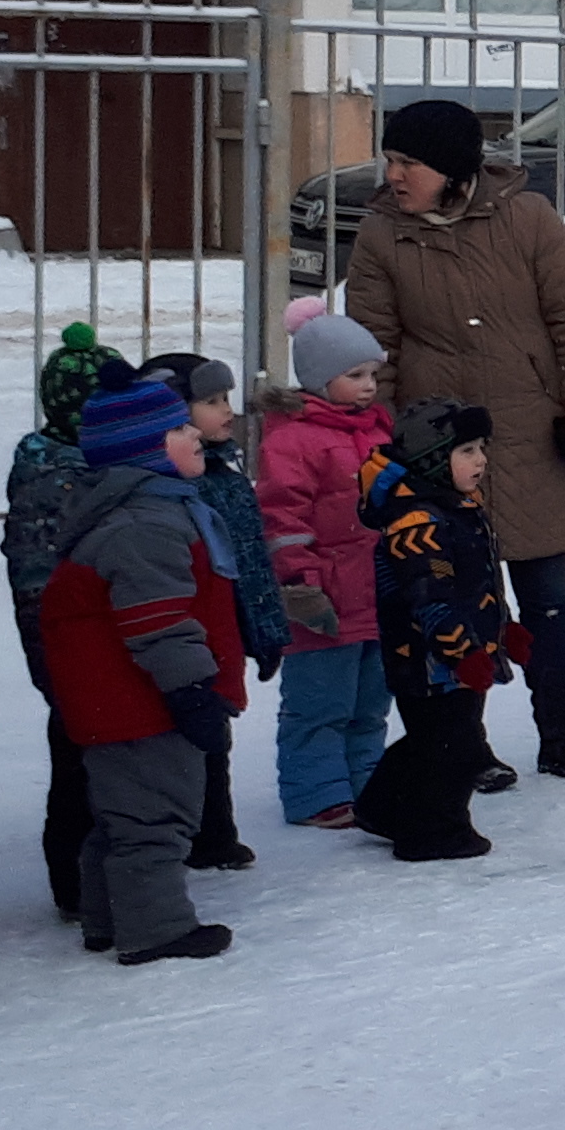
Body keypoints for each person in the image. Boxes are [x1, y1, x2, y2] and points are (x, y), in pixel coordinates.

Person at [342, 99, 565, 782]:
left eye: (408, 162)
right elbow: (375, 352)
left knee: (549, 597)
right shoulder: (382, 235)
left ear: (450, 167)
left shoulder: (527, 218)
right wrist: (385, 445)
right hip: (437, 456)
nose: (394, 174)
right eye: (390, 159)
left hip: (529, 435)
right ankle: (462, 748)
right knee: (451, 601)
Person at [34, 373, 245, 967]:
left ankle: (106, 919)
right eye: (179, 428)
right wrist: (191, 690)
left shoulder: (156, 510)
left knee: (122, 817)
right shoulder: (145, 525)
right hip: (141, 700)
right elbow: (157, 620)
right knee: (156, 819)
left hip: (120, 701)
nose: (194, 434)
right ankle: (156, 928)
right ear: (147, 450)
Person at [349, 396, 507, 864]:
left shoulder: (456, 507)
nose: (480, 460)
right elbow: (430, 596)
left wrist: (505, 630)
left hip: (458, 654)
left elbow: (480, 583)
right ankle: (434, 832)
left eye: (481, 448)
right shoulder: (418, 522)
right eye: (466, 451)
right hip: (428, 659)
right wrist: (461, 651)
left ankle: (381, 807)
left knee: (435, 738)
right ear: (433, 459)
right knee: (452, 746)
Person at [144, 353, 285, 870]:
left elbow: (250, 560)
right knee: (185, 731)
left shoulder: (221, 467)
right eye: (210, 401)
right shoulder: (178, 482)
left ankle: (213, 832)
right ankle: (191, 832)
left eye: (225, 398)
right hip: (190, 629)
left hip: (224, 626)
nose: (227, 410)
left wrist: (267, 631)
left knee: (216, 723)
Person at [257, 311, 394, 831]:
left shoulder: (377, 430)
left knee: (370, 700)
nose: (368, 387)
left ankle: (367, 784)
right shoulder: (293, 440)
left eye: (372, 376)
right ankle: (315, 793)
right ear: (318, 377)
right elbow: (282, 519)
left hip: (375, 590)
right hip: (323, 595)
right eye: (355, 376)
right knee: (318, 701)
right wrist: (300, 585)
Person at [5, 324, 125, 921]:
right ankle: (78, 882)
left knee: (86, 752)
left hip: (73, 639)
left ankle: (95, 874)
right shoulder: (69, 477)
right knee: (81, 757)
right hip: (71, 641)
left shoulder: (60, 463)